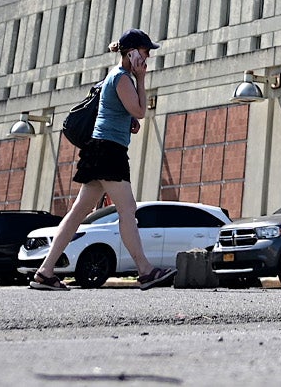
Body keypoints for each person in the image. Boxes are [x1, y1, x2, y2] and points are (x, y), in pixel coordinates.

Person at [29, 29, 174, 290]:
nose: (148, 56)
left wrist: (127, 117)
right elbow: (141, 111)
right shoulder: (122, 78)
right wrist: (141, 79)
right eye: (145, 51)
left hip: (101, 149)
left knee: (77, 214)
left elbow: (127, 113)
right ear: (131, 53)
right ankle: (145, 270)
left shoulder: (118, 78)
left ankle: (45, 271)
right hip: (109, 151)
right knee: (127, 210)